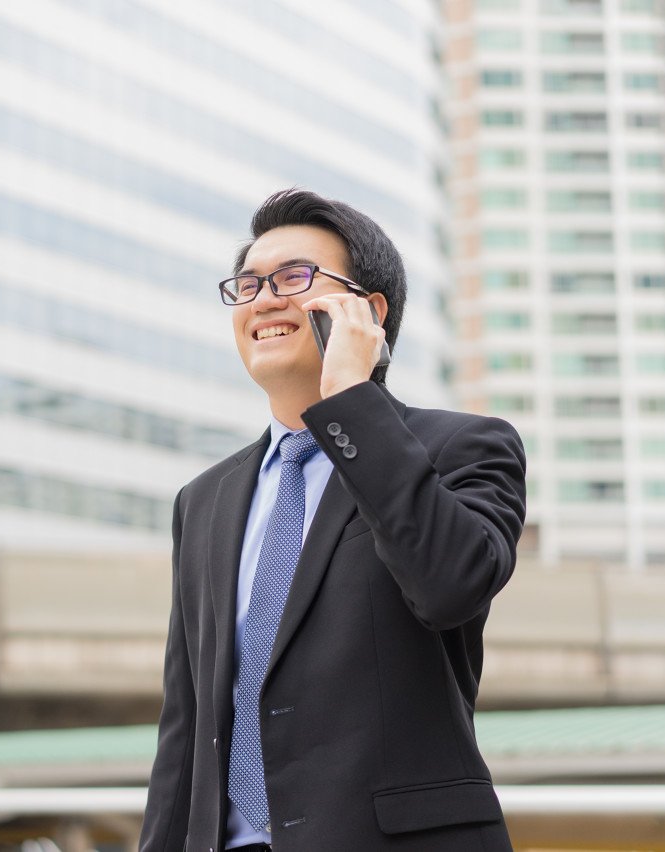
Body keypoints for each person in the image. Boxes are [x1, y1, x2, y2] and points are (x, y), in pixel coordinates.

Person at [140, 189, 526, 851]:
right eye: (250, 283)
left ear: (368, 313)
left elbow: (449, 584)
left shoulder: (464, 447)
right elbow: (187, 725)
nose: (264, 298)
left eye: (294, 278)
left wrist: (351, 396)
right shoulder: (203, 500)